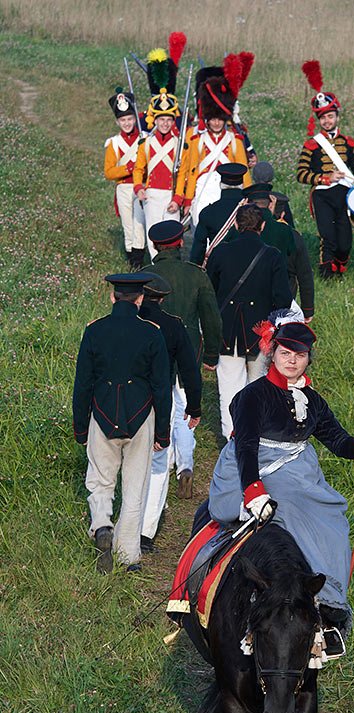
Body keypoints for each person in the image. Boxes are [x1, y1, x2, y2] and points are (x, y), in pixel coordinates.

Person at [207, 319, 354, 657]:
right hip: (252, 466)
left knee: (334, 518)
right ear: (272, 354)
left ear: (309, 359)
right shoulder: (252, 396)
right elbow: (245, 447)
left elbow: (338, 441)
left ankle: (330, 607)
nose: (292, 360)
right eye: (285, 353)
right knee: (292, 508)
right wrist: (253, 491)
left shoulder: (313, 400)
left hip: (297, 468)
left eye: (300, 354)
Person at [72, 273, 171, 573]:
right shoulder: (152, 333)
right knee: (134, 486)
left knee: (100, 480)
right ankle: (128, 556)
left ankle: (102, 524)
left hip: (101, 414)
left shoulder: (94, 330)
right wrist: (162, 433)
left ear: (113, 297)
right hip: (141, 416)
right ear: (140, 300)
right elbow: (161, 387)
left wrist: (80, 427)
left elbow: (83, 383)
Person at [142, 220, 222, 497]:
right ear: (179, 244)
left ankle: (161, 465)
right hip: (189, 347)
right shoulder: (196, 274)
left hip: (152, 351)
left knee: (160, 406)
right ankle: (185, 466)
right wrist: (212, 353)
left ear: (154, 245)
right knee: (186, 409)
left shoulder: (145, 274)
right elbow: (211, 317)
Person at [206, 204, 293, 440]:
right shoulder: (273, 255)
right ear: (262, 226)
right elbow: (283, 300)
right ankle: (257, 437)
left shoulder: (220, 252)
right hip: (261, 334)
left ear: (236, 225)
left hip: (227, 331)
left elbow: (209, 294)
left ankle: (231, 438)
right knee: (260, 387)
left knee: (229, 387)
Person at [137, 274, 202, 552]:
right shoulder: (173, 325)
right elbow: (189, 369)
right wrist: (195, 406)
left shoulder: (124, 323)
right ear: (162, 298)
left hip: (124, 402)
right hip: (160, 399)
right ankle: (145, 532)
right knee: (159, 464)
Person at [297, 59, 354, 280]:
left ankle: (340, 266)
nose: (327, 121)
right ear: (318, 119)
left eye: (330, 116)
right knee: (328, 237)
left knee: (345, 241)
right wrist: (324, 178)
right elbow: (301, 174)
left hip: (344, 194)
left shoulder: (347, 142)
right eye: (323, 117)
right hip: (322, 195)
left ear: (337, 116)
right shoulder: (312, 144)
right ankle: (326, 274)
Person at [133, 39, 189, 259]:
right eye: (161, 119)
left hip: (171, 195)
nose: (164, 123)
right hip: (151, 195)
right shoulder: (145, 143)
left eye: (168, 119)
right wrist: (139, 188)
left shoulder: (179, 144)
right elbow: (139, 169)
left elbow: (182, 173)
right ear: (154, 120)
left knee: (173, 238)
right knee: (152, 236)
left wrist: (178, 198)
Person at [183, 59, 253, 225]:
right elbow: (191, 170)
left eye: (220, 119)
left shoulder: (234, 140)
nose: (216, 123)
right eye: (213, 119)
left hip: (227, 190)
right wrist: (185, 199)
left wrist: (248, 196)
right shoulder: (197, 140)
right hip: (202, 191)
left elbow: (244, 171)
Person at [104, 89, 146, 269]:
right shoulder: (113, 143)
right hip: (123, 188)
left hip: (141, 186)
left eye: (129, 119)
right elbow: (109, 172)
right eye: (123, 120)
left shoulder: (145, 138)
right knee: (128, 226)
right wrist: (130, 167)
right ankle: (132, 263)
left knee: (140, 226)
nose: (127, 123)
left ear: (135, 119)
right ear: (117, 121)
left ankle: (140, 260)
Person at [189, 162, 247, 266]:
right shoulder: (251, 211)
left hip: (218, 268)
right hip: (246, 266)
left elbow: (198, 251)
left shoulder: (208, 212)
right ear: (242, 185)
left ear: (220, 185)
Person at [272, 191, 315, 321]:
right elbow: (305, 274)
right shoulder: (294, 236)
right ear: (283, 214)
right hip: (286, 297)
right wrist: (307, 310)